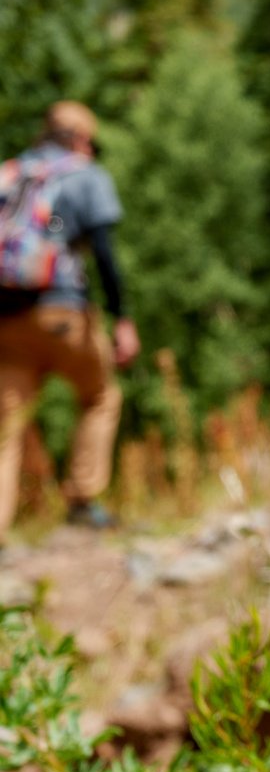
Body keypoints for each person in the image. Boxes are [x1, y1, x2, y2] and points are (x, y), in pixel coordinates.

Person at [0, 101, 140, 533]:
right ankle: (82, 499)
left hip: (7, 318)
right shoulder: (84, 176)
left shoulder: (10, 174)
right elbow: (104, 253)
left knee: (7, 425)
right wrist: (122, 318)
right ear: (81, 139)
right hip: (63, 312)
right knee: (100, 396)